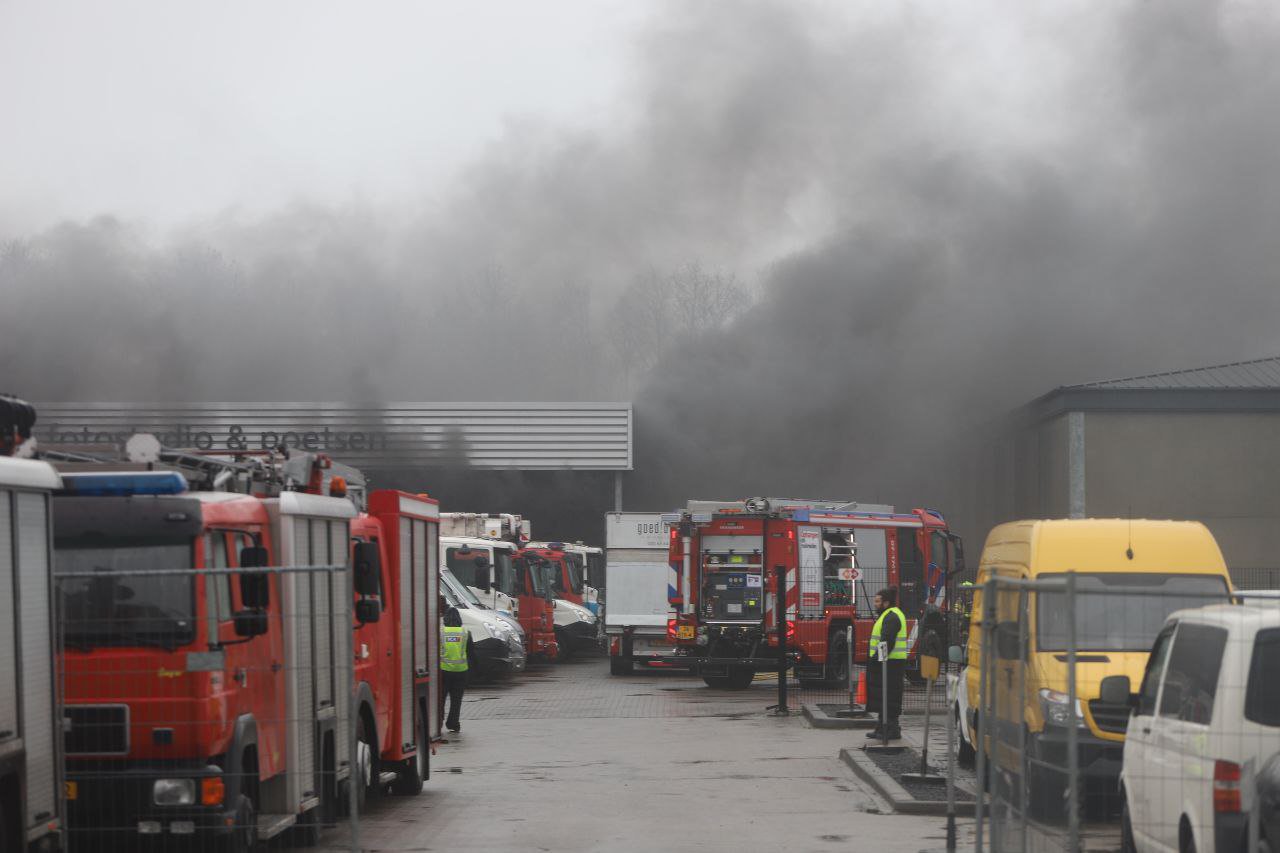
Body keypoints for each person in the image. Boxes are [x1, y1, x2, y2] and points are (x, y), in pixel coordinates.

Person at [866, 586, 906, 741]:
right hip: (888, 663)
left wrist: (876, 659)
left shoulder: (891, 616)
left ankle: (890, 730)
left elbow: (887, 641)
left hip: (890, 664)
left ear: (886, 603)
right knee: (885, 697)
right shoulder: (888, 615)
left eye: (878, 601)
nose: (875, 604)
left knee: (889, 697)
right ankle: (882, 728)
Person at [440, 606, 470, 733]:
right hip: (461, 671)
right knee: (456, 700)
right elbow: (470, 652)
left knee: (440, 699)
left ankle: (438, 722)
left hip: (443, 671)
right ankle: (453, 723)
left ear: (445, 618)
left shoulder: (441, 632)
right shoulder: (465, 632)